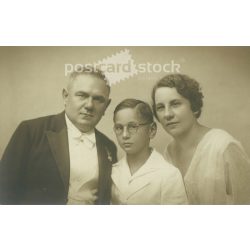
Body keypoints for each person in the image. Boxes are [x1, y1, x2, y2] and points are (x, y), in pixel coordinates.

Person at [0, 67, 117, 205]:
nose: (89, 105)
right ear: (65, 96)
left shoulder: (108, 146)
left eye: (98, 99)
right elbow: (4, 191)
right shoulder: (31, 132)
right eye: (82, 95)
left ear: (107, 106)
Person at [151, 73, 250, 204]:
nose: (167, 114)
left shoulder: (223, 146)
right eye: (160, 107)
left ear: (194, 106)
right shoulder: (169, 152)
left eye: (175, 104)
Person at [111, 98, 188, 205]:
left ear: (151, 130)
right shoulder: (112, 171)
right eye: (119, 128)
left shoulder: (169, 174)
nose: (125, 135)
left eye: (132, 127)